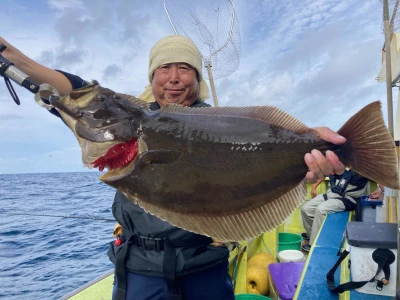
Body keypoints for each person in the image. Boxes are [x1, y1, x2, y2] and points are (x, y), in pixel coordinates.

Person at [0, 34, 347, 299]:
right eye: (164, 68)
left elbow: (270, 140)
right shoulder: (130, 118)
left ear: (197, 78)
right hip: (139, 268)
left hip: (204, 267)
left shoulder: (219, 121)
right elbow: (77, 92)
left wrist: (310, 145)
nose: (174, 77)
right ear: (152, 76)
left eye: (184, 68)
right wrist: (11, 56)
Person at [300, 169, 369, 252]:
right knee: (306, 208)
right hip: (332, 194)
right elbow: (325, 172)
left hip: (349, 199)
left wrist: (379, 190)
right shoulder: (339, 162)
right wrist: (314, 187)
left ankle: (315, 244)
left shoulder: (362, 167)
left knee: (321, 209)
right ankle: (311, 235)